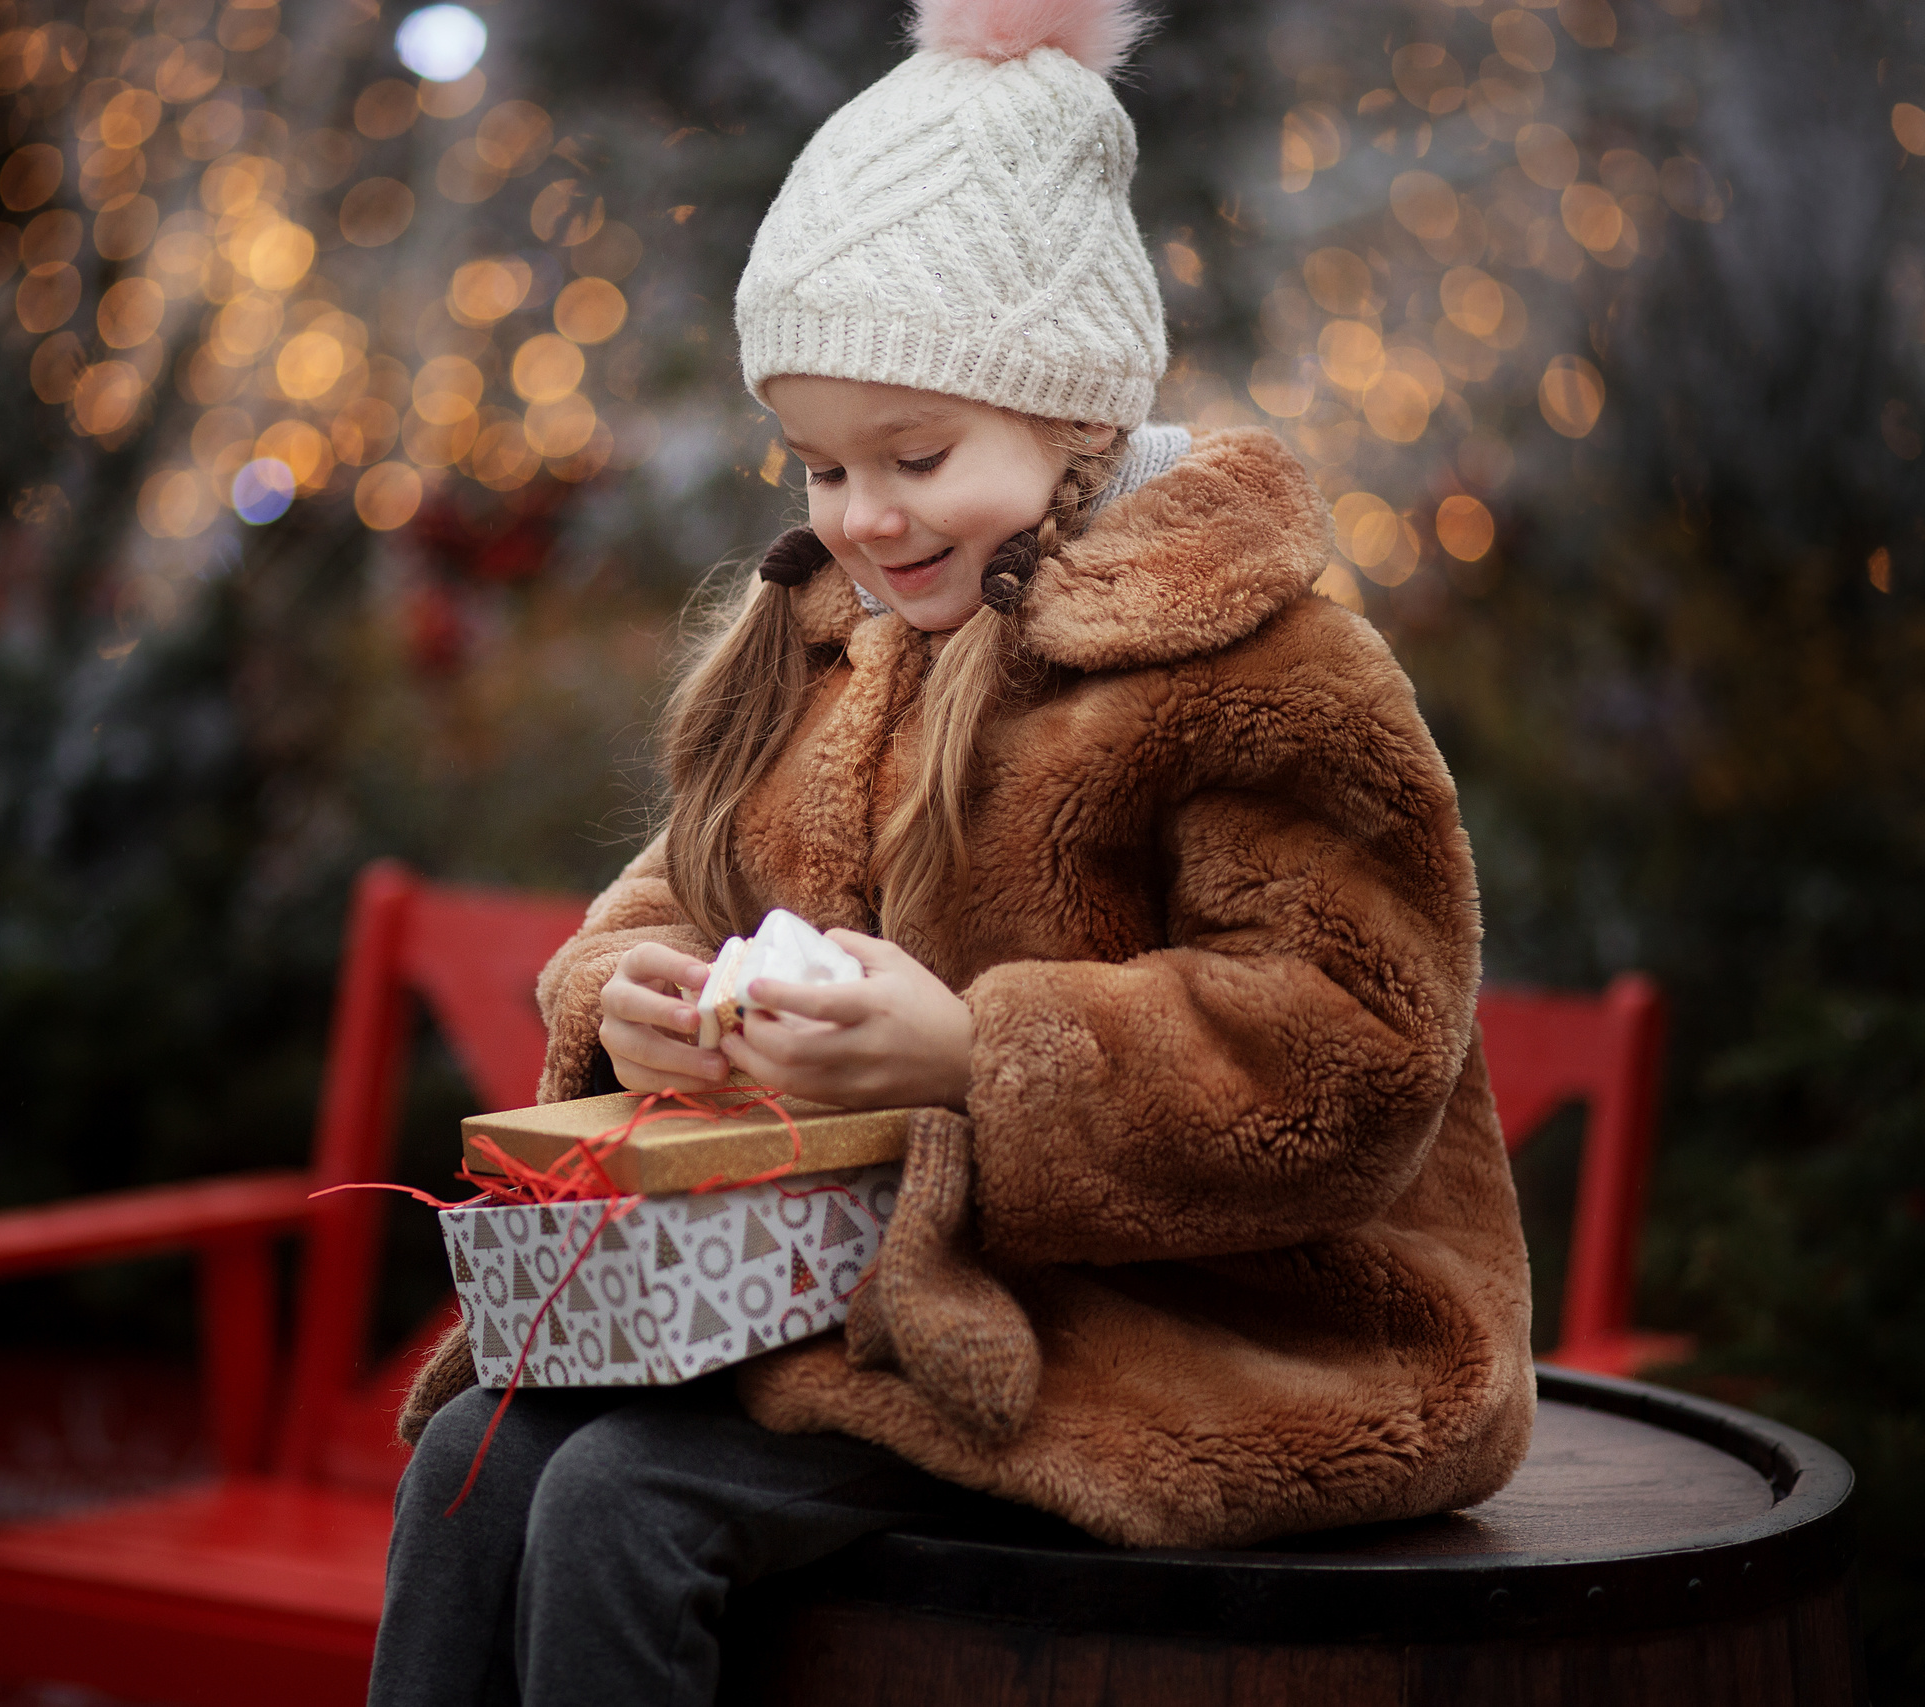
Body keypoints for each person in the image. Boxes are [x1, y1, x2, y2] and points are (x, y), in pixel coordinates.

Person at [368, 1, 1535, 1701]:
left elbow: (1351, 1045)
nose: (862, 515)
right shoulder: (854, 637)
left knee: (625, 1498)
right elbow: (681, 887)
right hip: (905, 1288)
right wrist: (642, 993)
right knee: (477, 1457)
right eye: (823, 465)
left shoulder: (1253, 664)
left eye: (917, 457)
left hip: (1232, 1325)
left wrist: (973, 1059)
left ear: (1069, 417)